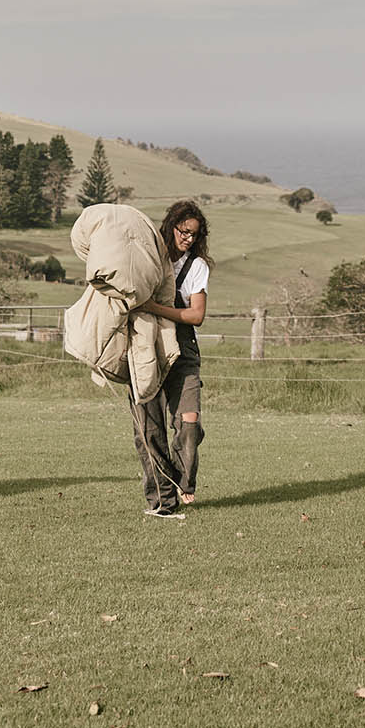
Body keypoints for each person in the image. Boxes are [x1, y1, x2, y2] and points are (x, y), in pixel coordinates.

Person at [133, 201, 211, 512]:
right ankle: (162, 500)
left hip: (184, 349)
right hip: (146, 346)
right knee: (149, 429)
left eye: (194, 234)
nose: (188, 238)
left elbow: (196, 315)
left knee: (189, 421)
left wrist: (155, 308)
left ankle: (185, 480)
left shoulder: (197, 267)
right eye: (183, 231)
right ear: (171, 226)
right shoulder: (151, 259)